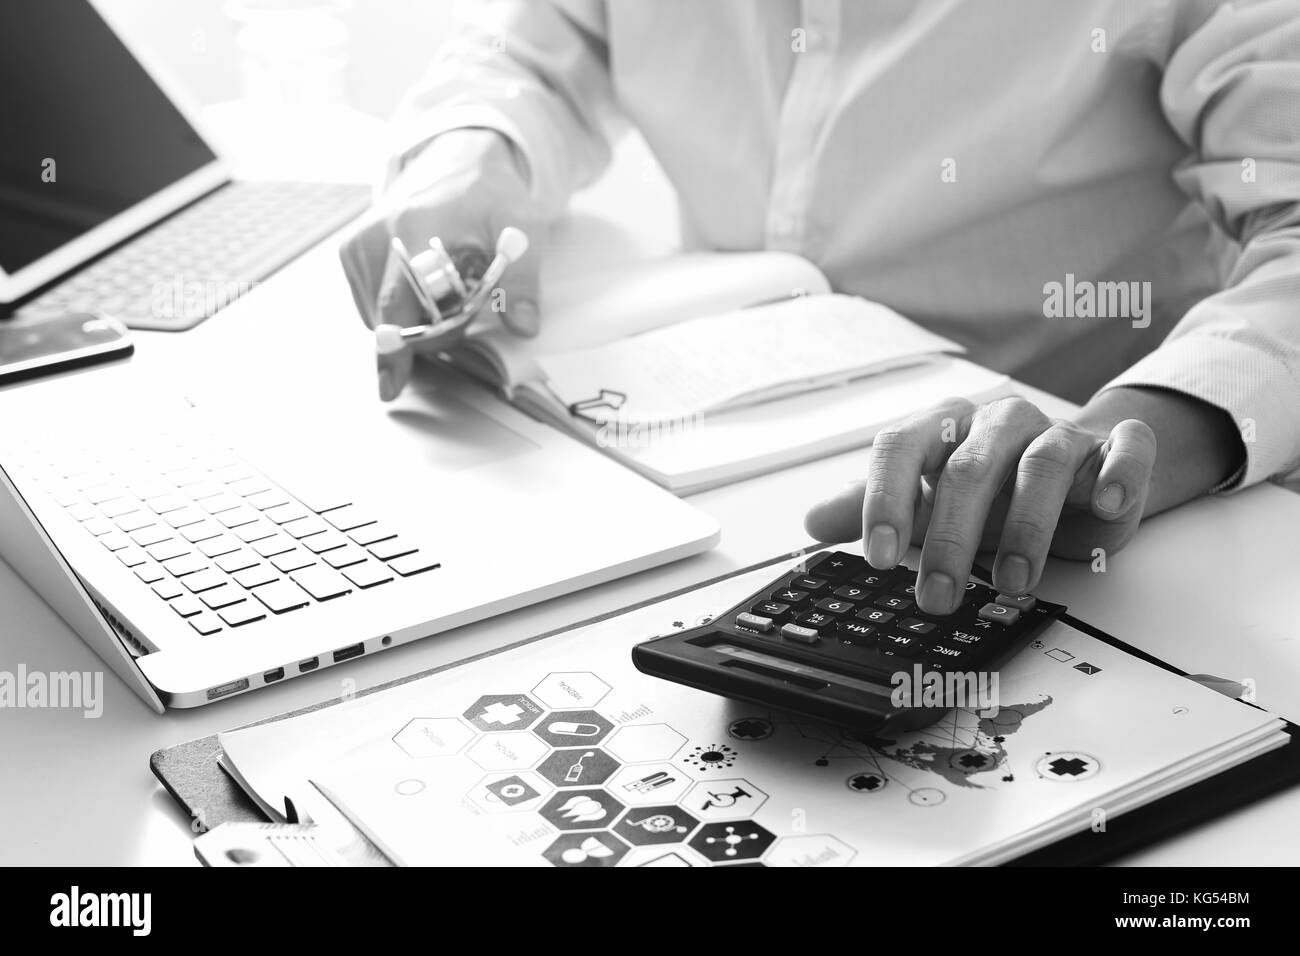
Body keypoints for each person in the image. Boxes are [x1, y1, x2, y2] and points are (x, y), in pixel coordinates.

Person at [340, 0, 1300, 614]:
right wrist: (471, 155)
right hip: (703, 476)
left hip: (1051, 516)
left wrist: (1124, 438)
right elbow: (536, 48)